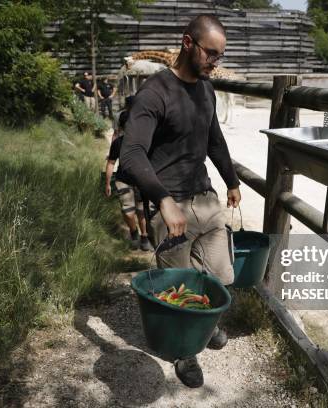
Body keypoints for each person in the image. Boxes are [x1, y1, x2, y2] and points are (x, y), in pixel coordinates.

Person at [120, 14, 240, 388]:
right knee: (182, 289)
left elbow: (214, 139)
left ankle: (208, 324)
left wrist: (231, 181)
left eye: (220, 56)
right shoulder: (154, 93)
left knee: (221, 276)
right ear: (188, 43)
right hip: (170, 205)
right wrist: (164, 201)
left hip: (205, 197)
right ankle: (184, 350)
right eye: (210, 54)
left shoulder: (206, 88)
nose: (214, 63)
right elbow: (132, 155)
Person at [104, 98, 153, 252]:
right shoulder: (118, 143)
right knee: (128, 211)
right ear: (124, 126)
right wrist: (107, 183)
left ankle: (145, 236)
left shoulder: (145, 142)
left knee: (141, 210)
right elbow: (111, 162)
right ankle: (134, 232)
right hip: (123, 180)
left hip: (141, 181)